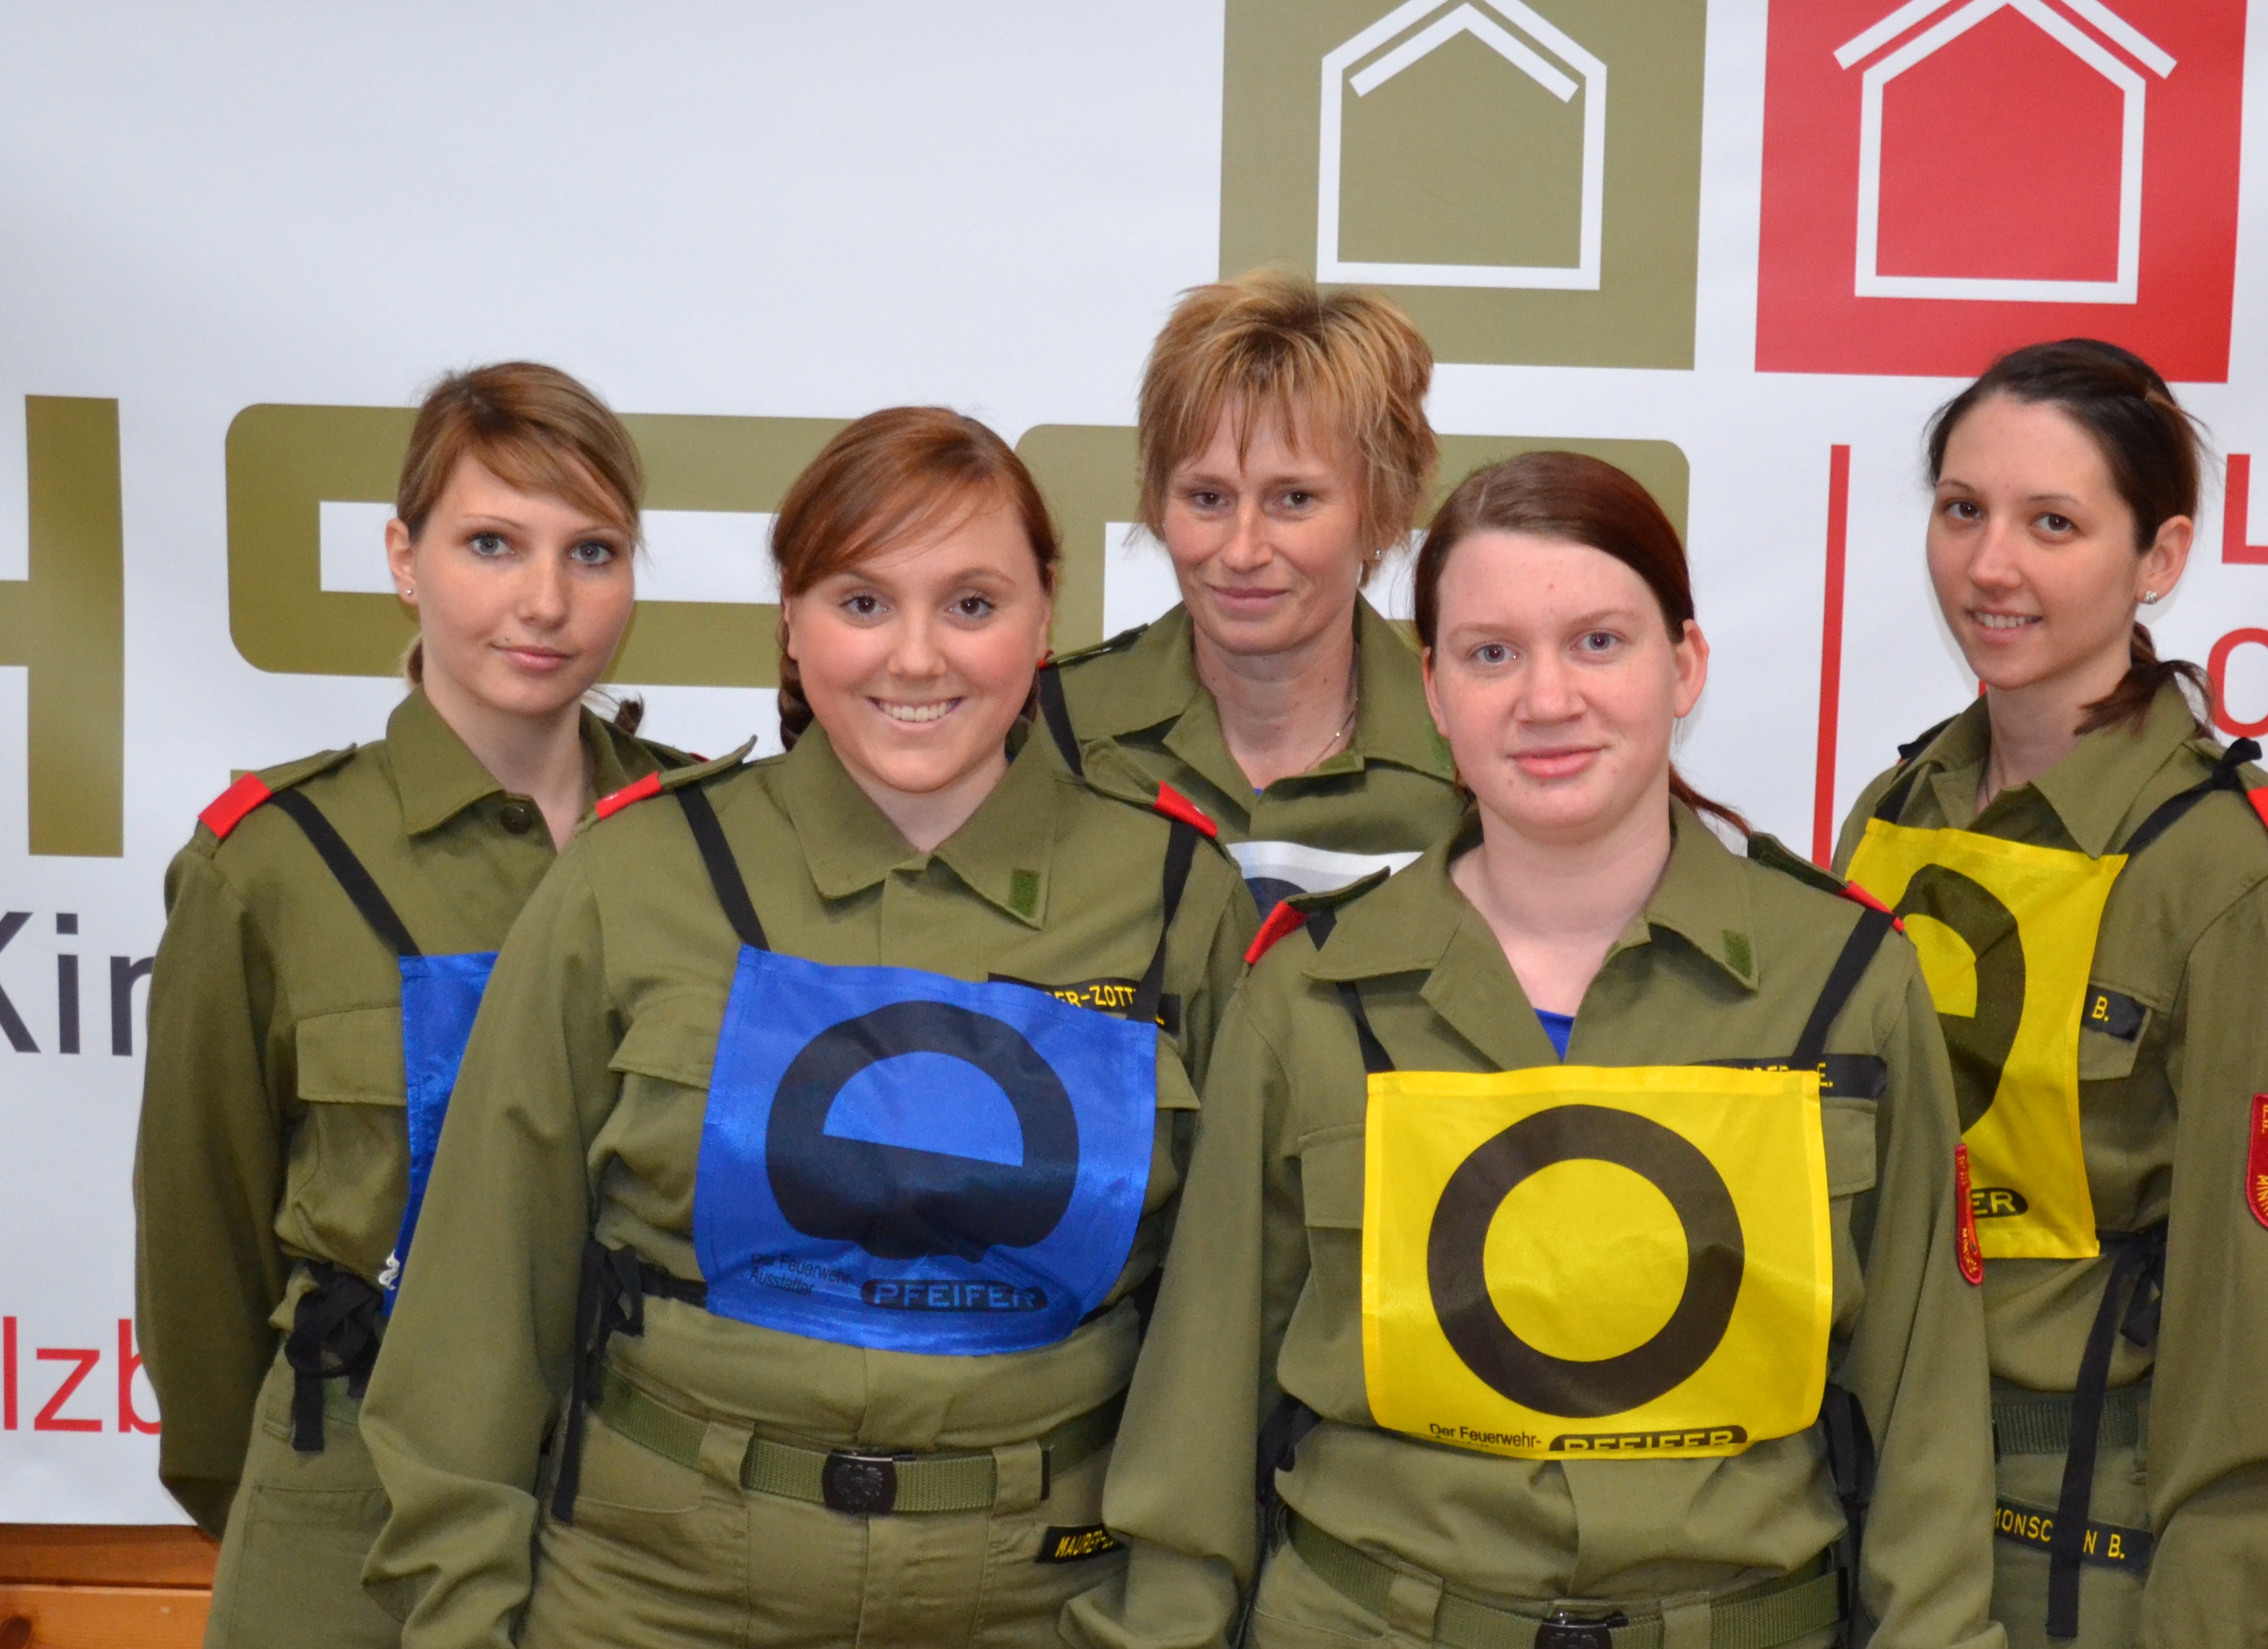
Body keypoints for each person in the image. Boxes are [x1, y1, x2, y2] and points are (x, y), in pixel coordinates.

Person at [357, 407, 1258, 1649]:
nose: (917, 658)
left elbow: (1224, 1327)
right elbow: (479, 1296)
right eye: (862, 602)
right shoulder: (638, 874)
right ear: (791, 618)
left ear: (1046, 614)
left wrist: (1168, 1620)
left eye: (973, 604)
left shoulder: (1175, 901)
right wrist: (462, 1621)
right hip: (649, 1602)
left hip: (1039, 1601)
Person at [1067, 452, 2000, 1649]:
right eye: (1491, 653)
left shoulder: (1845, 986)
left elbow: (1923, 1419)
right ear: (1434, 690)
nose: (1546, 698)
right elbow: (1202, 1418)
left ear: (1685, 664)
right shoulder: (1310, 995)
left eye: (1598, 642)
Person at [133, 361, 688, 1648]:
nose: (544, 601)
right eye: (492, 543)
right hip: (352, 1513)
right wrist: (281, 1493)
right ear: (403, 558)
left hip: (646, 1519)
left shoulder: (705, 842)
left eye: (592, 551)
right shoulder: (272, 866)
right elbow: (202, 1248)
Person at [1832, 340, 2268, 1648]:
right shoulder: (1895, 812)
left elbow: (2251, 1349)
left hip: (2074, 1553)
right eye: (1963, 509)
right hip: (1859, 1511)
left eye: (2052, 523)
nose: (1989, 564)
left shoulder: (2233, 874)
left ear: (2159, 558)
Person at [1044, 266, 1465, 914]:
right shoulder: (1050, 731)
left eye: (1293, 499)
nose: (1242, 551)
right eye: (1207, 498)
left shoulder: (1472, 754)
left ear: (1383, 512)